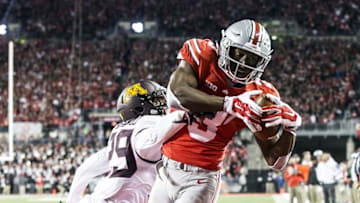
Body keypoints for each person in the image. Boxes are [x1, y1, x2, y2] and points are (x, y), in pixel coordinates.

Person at [148, 19, 302, 203]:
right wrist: (229, 104)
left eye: (253, 58)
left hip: (201, 178)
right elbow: (175, 95)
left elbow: (275, 161)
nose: (244, 64)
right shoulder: (203, 54)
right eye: (240, 53)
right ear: (225, 45)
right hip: (166, 168)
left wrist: (290, 129)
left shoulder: (260, 95)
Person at [66, 80, 186, 203]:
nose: (163, 105)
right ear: (139, 108)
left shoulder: (121, 133)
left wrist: (72, 200)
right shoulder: (147, 127)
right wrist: (186, 113)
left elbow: (85, 170)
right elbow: (156, 134)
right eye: (156, 101)